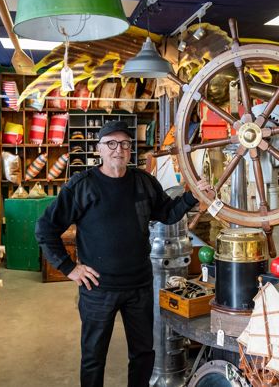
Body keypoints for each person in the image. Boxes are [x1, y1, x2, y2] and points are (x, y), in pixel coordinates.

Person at [35, 120, 212, 387]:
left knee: (143, 354)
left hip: (139, 286)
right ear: (99, 149)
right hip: (98, 288)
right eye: (111, 144)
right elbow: (45, 228)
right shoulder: (82, 186)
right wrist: (70, 268)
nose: (118, 150)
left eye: (125, 144)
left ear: (131, 150)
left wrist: (192, 197)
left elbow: (167, 213)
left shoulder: (144, 183)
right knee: (94, 357)